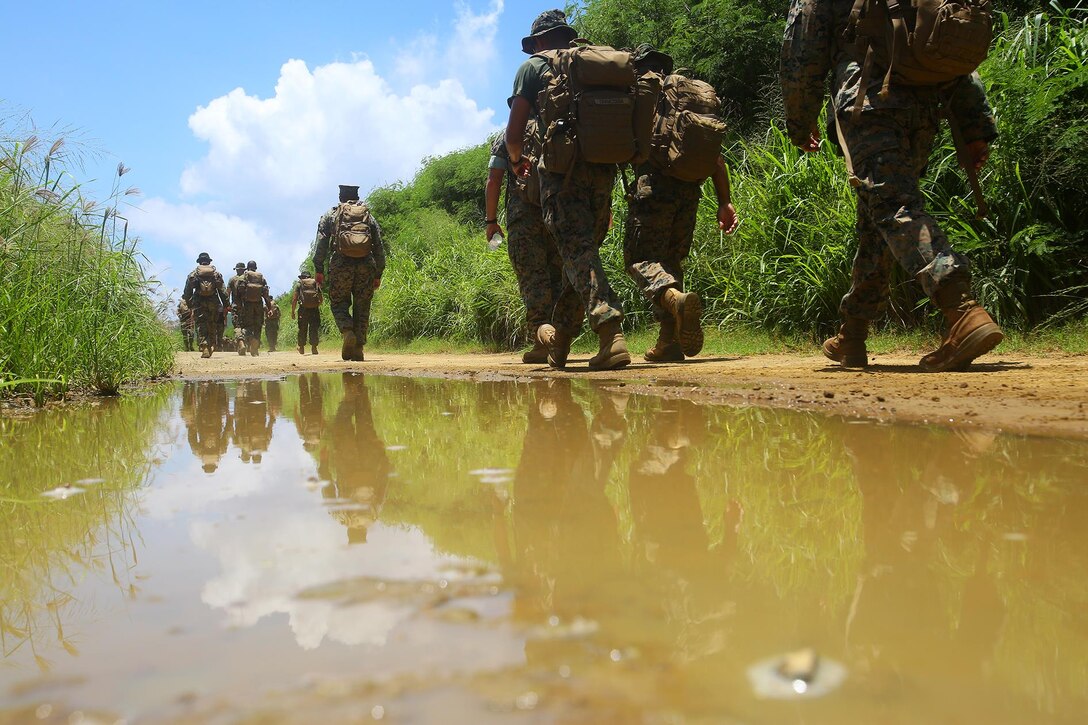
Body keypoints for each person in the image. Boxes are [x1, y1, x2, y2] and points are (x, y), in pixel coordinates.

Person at [781, 0, 1003, 371]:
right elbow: (946, 45)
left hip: (867, 102)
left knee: (892, 209)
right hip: (924, 105)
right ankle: (853, 332)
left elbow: (800, 56)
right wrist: (975, 124)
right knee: (879, 219)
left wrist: (799, 123)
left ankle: (961, 309)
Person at [505, 9, 630, 371]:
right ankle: (560, 341)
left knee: (578, 257)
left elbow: (515, 135)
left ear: (540, 41)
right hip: (604, 170)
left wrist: (516, 161)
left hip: (562, 174)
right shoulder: (595, 63)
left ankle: (611, 333)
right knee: (580, 255)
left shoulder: (534, 67)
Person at [625, 44, 739, 362]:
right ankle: (669, 343)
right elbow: (716, 160)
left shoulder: (643, 94)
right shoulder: (687, 95)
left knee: (640, 259)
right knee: (672, 261)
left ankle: (674, 300)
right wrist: (725, 203)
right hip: (690, 191)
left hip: (652, 188)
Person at [485, 120, 565, 364]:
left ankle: (543, 341)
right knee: (557, 276)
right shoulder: (560, 126)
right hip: (559, 213)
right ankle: (560, 338)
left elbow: (494, 178)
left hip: (524, 217)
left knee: (532, 278)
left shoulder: (510, 135)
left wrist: (491, 220)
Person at [313, 184, 386, 361]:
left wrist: (318, 269)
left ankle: (347, 332)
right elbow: (378, 245)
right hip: (366, 265)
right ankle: (359, 347)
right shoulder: (368, 216)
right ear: (357, 196)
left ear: (340, 196)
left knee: (338, 302)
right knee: (363, 306)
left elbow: (321, 242)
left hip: (340, 264)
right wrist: (378, 273)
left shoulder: (331, 214)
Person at [181, 251, 229, 358]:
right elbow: (222, 291)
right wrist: (226, 304)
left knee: (201, 323)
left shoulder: (193, 274)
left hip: (199, 301)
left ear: (199, 262)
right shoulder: (216, 274)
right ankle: (211, 344)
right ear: (209, 261)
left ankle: (205, 345)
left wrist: (189, 304)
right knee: (212, 323)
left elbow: (187, 291)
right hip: (213, 301)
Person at [233, 260, 273, 356]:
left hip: (247, 305)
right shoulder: (261, 278)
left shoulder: (243, 277)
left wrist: (239, 306)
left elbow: (238, 294)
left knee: (247, 326)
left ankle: (250, 340)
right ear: (256, 267)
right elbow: (266, 295)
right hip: (258, 305)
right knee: (258, 326)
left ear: (247, 267)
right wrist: (269, 308)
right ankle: (255, 348)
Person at [291, 271, 323, 355]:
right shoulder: (315, 283)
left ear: (302, 277)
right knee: (314, 327)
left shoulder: (299, 284)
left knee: (302, 328)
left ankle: (301, 348)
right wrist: (316, 305)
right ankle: (314, 348)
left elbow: (294, 299)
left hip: (303, 309)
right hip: (314, 309)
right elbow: (321, 298)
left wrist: (293, 311)